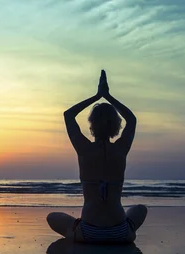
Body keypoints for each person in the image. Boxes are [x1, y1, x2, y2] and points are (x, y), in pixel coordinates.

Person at [47, 70, 147, 243]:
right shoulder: (121, 149)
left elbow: (68, 115)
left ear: (92, 125)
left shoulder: (84, 149)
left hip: (89, 232)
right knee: (140, 209)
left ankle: (75, 231)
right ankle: (124, 231)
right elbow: (131, 119)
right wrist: (107, 96)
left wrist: (97, 96)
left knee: (52, 217)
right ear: (117, 127)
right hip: (121, 233)